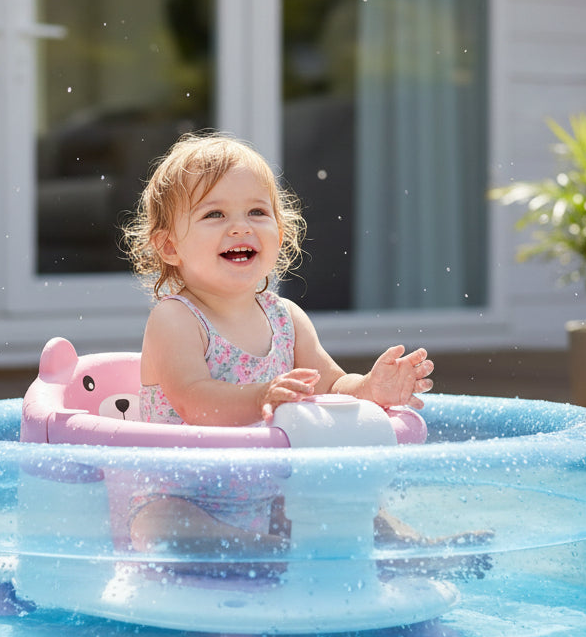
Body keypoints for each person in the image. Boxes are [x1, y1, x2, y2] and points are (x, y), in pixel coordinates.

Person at [121, 132, 442, 560]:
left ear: (281, 231)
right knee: (163, 531)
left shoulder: (285, 317)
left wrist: (369, 389)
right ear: (169, 246)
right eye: (214, 214)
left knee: (349, 508)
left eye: (257, 211)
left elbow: (329, 383)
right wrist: (261, 396)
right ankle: (285, 554)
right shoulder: (175, 318)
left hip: (271, 496)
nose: (241, 226)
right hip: (185, 498)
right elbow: (196, 404)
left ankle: (414, 553)